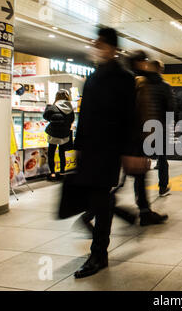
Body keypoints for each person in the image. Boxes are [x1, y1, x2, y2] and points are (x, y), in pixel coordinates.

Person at [73, 27, 136, 279]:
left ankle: (98, 254)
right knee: (95, 196)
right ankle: (115, 211)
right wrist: (77, 146)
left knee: (99, 197)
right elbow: (84, 114)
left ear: (111, 48)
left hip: (109, 149)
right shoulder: (94, 76)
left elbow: (130, 117)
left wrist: (130, 151)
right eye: (94, 43)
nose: (95, 47)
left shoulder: (123, 78)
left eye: (99, 44)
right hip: (89, 148)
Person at [127, 50, 169, 225]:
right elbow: (141, 113)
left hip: (138, 136)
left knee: (139, 176)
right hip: (135, 137)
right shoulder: (140, 82)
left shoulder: (138, 81)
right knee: (127, 178)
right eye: (144, 61)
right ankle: (91, 212)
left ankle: (144, 211)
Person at [150, 59, 175, 195]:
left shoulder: (143, 83)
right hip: (160, 127)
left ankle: (140, 196)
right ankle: (163, 186)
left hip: (144, 127)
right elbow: (171, 108)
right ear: (160, 69)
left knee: (141, 158)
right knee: (162, 158)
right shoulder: (164, 86)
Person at [43, 89, 75, 181]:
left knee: (51, 153)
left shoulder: (53, 107)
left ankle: (52, 174)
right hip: (64, 134)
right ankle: (62, 173)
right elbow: (72, 120)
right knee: (62, 153)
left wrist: (48, 106)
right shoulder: (70, 108)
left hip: (53, 133)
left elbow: (45, 116)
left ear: (56, 96)